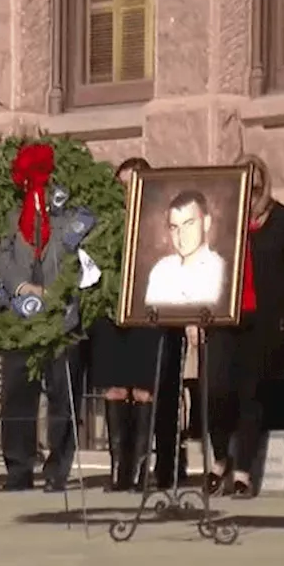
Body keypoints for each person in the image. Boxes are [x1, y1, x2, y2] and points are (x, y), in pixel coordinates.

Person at [203, 156, 284, 499]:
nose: (250, 194)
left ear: (265, 187)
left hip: (264, 321)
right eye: (243, 186)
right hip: (224, 319)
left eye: (256, 187)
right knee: (216, 390)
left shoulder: (281, 219)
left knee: (252, 397)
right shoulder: (219, 220)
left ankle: (243, 472)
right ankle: (220, 459)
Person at [89, 157, 184, 492]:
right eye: (122, 185)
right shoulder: (100, 223)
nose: (127, 192)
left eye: (135, 185)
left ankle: (144, 468)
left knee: (145, 390)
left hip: (149, 313)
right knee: (116, 388)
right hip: (112, 312)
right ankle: (120, 469)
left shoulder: (162, 225)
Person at [0, 147, 83, 493]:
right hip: (20, 317)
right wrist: (20, 286)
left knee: (62, 394)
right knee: (17, 393)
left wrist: (54, 291)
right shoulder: (12, 217)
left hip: (61, 317)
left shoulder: (71, 217)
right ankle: (18, 468)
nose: (38, 187)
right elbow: (2, 256)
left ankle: (56, 469)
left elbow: (78, 260)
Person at [143, 190, 226, 308]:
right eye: (174, 227)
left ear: (206, 223)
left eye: (189, 223)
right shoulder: (160, 270)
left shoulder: (220, 269)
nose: (181, 234)